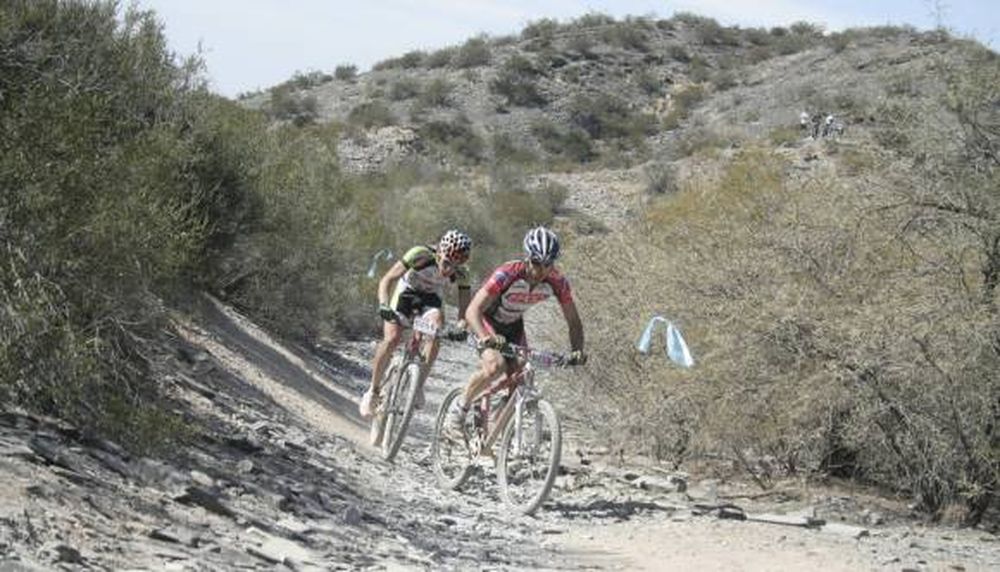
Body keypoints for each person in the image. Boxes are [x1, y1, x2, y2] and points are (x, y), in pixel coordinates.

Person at [446, 226, 586, 436]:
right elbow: (472, 310)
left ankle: (495, 428)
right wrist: (486, 338)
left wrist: (577, 350)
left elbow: (573, 321)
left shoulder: (558, 282)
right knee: (495, 366)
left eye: (548, 264)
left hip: (513, 325)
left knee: (521, 374)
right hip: (486, 320)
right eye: (536, 263)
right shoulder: (507, 273)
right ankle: (458, 411)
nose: (541, 270)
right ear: (527, 258)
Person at [360, 229, 472, 422]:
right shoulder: (420, 254)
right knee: (392, 339)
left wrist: (462, 327)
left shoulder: (463, 273)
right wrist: (384, 304)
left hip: (430, 300)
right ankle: (373, 390)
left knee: (436, 330)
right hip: (406, 293)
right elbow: (387, 279)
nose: (448, 270)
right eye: (446, 263)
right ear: (439, 252)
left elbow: (465, 308)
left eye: (455, 266)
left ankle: (418, 384)